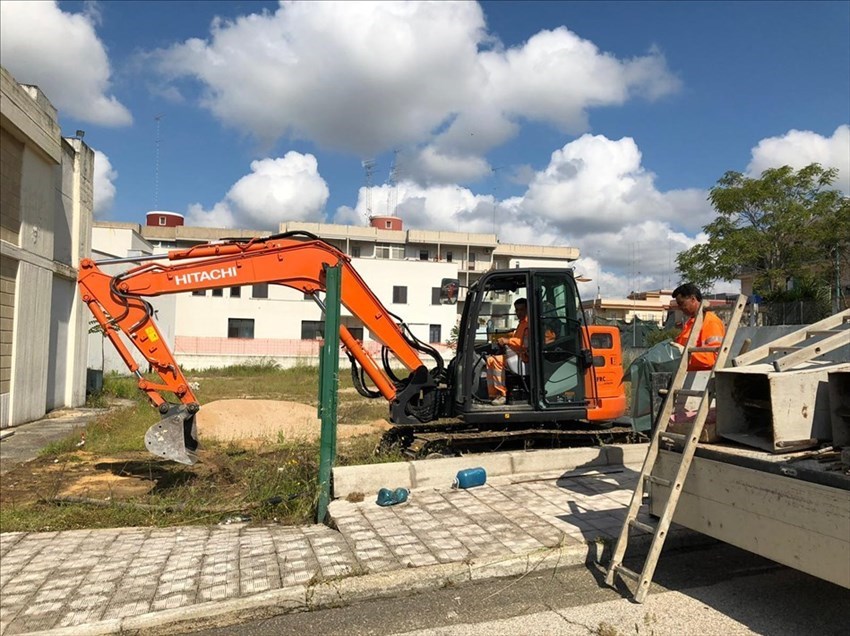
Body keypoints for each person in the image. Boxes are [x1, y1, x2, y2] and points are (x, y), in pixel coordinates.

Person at [671, 283, 725, 371]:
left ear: (693, 299)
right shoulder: (691, 322)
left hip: (700, 379)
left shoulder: (710, 322)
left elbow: (711, 359)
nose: (680, 307)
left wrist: (684, 353)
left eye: (681, 303)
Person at [486, 298, 529, 405]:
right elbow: (518, 338)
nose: (519, 313)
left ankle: (502, 395)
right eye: (517, 310)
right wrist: (507, 337)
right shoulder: (521, 324)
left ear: (528, 309)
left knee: (496, 360)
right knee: (491, 359)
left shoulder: (529, 324)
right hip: (517, 355)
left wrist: (508, 340)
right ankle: (493, 394)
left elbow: (525, 344)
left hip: (524, 358)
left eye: (522, 310)